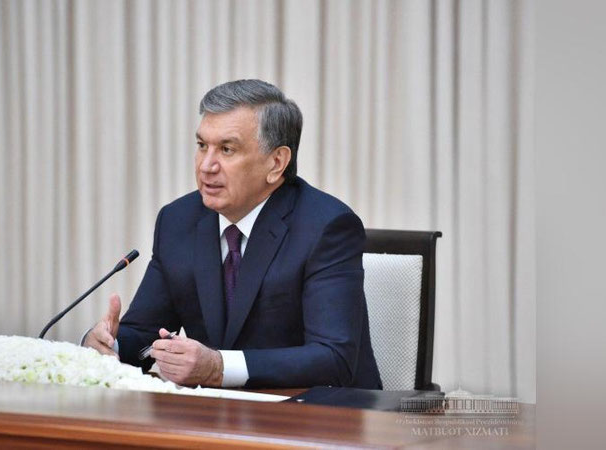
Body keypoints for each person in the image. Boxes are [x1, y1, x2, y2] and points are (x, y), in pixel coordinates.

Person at [83, 79, 382, 389]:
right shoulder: (178, 221)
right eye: (202, 146)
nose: (206, 166)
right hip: (218, 412)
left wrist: (219, 367)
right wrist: (108, 345)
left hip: (318, 411)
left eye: (227, 149)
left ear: (276, 163)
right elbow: (144, 336)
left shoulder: (327, 227)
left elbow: (333, 359)